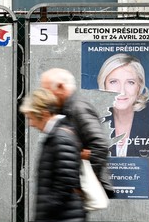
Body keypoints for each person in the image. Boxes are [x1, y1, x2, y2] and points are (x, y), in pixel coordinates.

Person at [20, 88, 86, 222]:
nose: (30, 123)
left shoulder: (60, 137)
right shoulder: (57, 135)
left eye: (31, 118)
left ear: (42, 113)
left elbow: (64, 185)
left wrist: (45, 220)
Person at [40, 68, 114, 198]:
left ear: (60, 87)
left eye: (47, 91)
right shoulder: (65, 109)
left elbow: (100, 146)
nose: (45, 96)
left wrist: (79, 187)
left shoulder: (78, 108)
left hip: (78, 190)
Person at [97, 53, 149, 157]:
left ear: (139, 86)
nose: (122, 91)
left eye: (130, 82)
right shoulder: (92, 118)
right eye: (113, 82)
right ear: (104, 85)